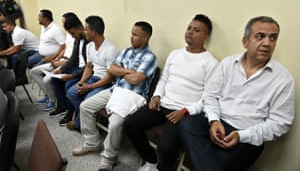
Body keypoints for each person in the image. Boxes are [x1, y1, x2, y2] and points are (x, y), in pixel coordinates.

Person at [179, 16, 295, 171]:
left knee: (216, 161)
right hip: (218, 122)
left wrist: (242, 136)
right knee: (187, 124)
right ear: (245, 41)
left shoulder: (283, 79)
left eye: (272, 38)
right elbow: (210, 95)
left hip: (248, 135)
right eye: (260, 36)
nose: (267, 43)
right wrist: (214, 121)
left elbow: (280, 123)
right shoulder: (228, 64)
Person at [123, 14, 218, 171]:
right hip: (162, 104)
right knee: (130, 125)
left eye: (196, 30)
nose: (190, 32)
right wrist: (156, 96)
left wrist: (185, 111)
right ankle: (151, 161)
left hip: (184, 112)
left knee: (166, 148)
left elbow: (208, 98)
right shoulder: (175, 54)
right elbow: (164, 80)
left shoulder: (211, 63)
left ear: (205, 37)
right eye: (189, 28)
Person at [72, 21, 157, 171]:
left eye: (136, 35)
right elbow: (111, 69)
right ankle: (92, 143)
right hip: (115, 89)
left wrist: (122, 71)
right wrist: (128, 72)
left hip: (133, 96)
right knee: (85, 106)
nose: (131, 37)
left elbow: (136, 80)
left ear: (146, 38)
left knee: (116, 124)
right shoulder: (126, 51)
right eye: (131, 33)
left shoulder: (150, 57)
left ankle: (108, 159)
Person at [64, 15, 119, 130]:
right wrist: (82, 82)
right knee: (71, 92)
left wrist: (89, 87)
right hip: (93, 78)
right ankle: (87, 119)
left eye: (86, 29)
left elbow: (110, 77)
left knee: (87, 99)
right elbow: (89, 68)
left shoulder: (111, 49)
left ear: (93, 32)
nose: (84, 32)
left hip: (106, 83)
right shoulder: (89, 46)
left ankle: (79, 124)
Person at [30, 9, 66, 111]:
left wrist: (54, 57)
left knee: (35, 69)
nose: (38, 18)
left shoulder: (55, 29)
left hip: (53, 57)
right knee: (33, 70)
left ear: (46, 18)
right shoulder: (43, 27)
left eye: (39, 16)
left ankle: (52, 99)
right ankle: (47, 95)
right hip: (42, 55)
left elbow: (63, 46)